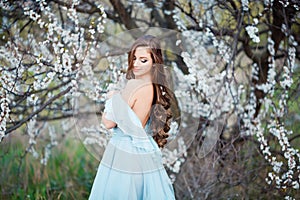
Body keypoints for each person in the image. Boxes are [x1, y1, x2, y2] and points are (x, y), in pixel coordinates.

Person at [89, 35, 176, 200]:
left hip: (124, 153)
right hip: (143, 155)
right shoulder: (155, 88)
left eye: (143, 60)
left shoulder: (134, 85)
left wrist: (112, 97)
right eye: (134, 58)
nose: (136, 64)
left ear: (154, 62)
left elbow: (108, 122)